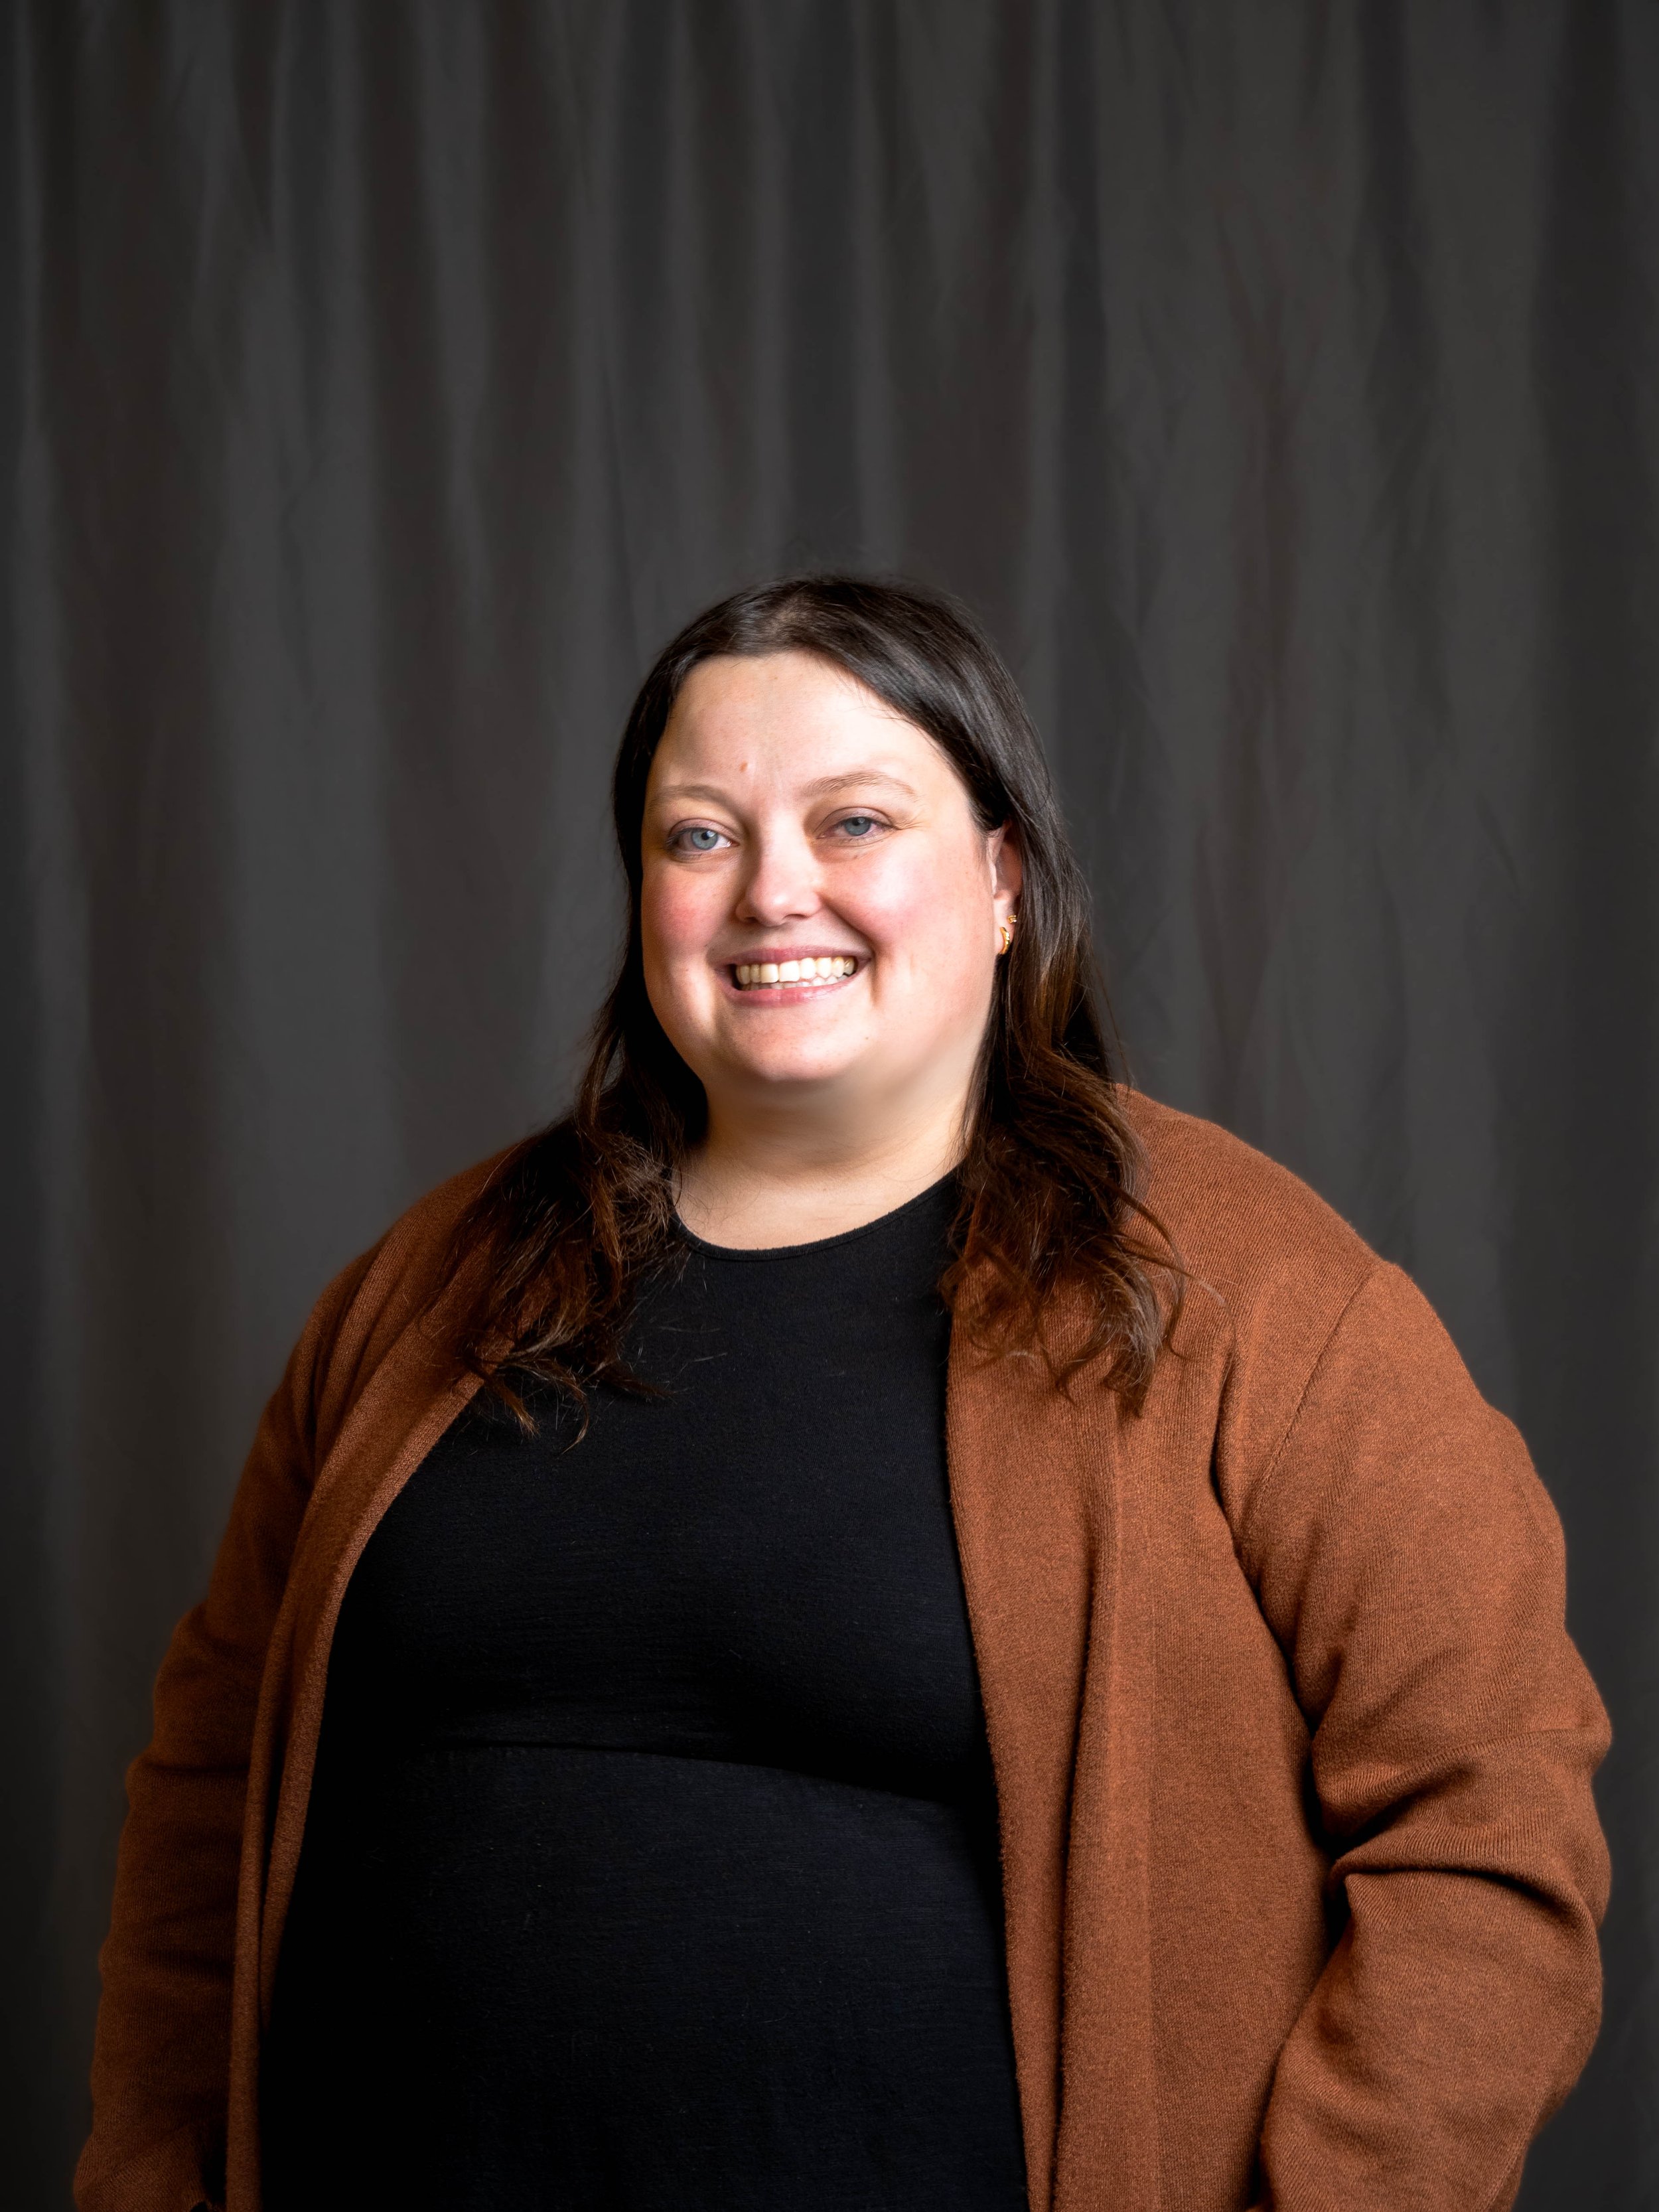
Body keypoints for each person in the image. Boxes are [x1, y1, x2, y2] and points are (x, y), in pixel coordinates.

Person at [76, 576, 1609, 2212]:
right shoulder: (424, 1287)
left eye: (854, 818)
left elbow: (1488, 1817)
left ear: (1004, 879)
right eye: (699, 835)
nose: (770, 890)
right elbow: (205, 1795)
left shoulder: (1249, 1293)